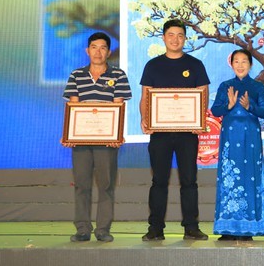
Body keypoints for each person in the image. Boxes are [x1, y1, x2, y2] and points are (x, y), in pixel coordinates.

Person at [139, 19, 210, 241]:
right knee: (159, 181)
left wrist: (199, 120)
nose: (175, 39)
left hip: (187, 133)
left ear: (185, 38)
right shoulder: (153, 65)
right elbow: (145, 97)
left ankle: (191, 226)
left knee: (189, 180)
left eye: (180, 35)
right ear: (163, 37)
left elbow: (203, 94)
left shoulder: (196, 64)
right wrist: (145, 118)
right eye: (171, 35)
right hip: (160, 133)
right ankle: (155, 228)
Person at [62, 32, 132, 242]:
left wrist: (116, 134)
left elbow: (119, 107)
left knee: (106, 185)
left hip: (106, 141)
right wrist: (69, 135)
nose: (98, 51)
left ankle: (103, 229)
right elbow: (73, 106)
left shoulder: (118, 75)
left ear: (109, 52)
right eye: (94, 47)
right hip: (81, 141)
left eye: (103, 48)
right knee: (82, 185)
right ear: (87, 50)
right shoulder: (76, 75)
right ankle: (82, 229)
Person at [210, 49, 264, 241]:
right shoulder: (225, 86)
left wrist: (249, 107)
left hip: (250, 138)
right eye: (237, 61)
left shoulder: (258, 87)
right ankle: (228, 228)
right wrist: (229, 106)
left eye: (245, 61)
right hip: (230, 137)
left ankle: (249, 227)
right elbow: (215, 109)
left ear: (251, 64)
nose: (241, 65)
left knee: (249, 177)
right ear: (232, 64)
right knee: (229, 178)